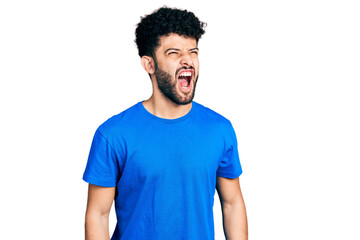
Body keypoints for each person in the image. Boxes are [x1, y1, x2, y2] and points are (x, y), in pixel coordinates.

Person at [83, 6, 248, 240]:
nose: (187, 60)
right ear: (149, 64)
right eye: (174, 53)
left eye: (193, 51)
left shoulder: (220, 130)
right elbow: (98, 215)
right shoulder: (113, 135)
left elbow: (232, 204)